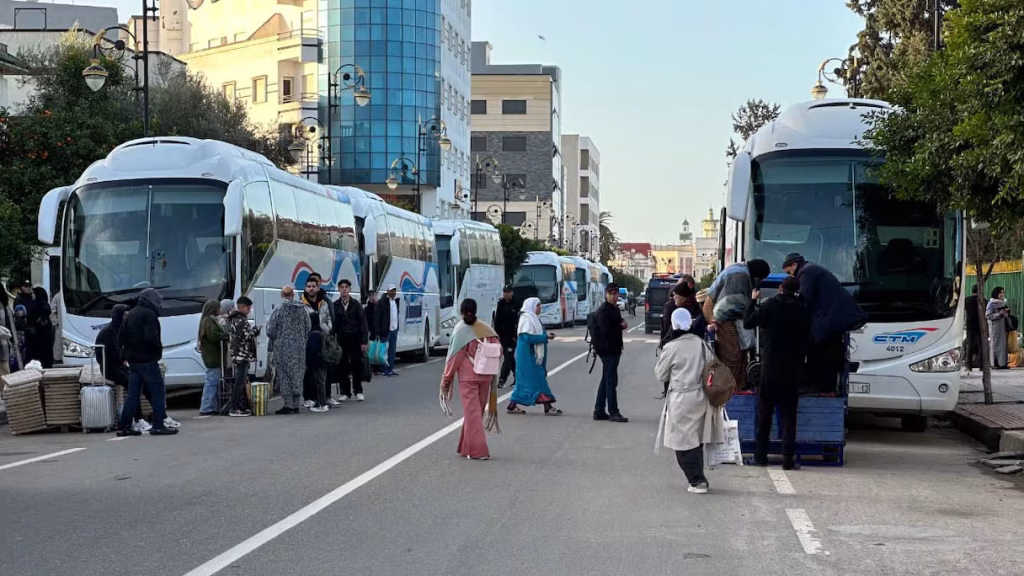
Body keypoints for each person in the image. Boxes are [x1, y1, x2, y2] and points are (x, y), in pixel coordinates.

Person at [654, 308, 725, 494]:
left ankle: (697, 480)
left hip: (681, 398)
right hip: (701, 397)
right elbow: (713, 368)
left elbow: (661, 374)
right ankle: (698, 477)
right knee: (696, 439)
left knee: (682, 442)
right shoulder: (701, 344)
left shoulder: (672, 347)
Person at [742, 276, 811, 470]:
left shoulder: (770, 305)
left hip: (770, 368)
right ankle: (788, 459)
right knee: (790, 416)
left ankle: (761, 456)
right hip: (793, 369)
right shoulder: (803, 310)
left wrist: (753, 299)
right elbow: (808, 338)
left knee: (765, 414)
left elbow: (748, 322)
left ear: (780, 288)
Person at [782, 253, 867, 393]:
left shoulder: (806, 273)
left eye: (790, 273)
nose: (791, 277)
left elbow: (805, 299)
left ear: (794, 265)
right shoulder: (811, 269)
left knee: (815, 347)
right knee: (826, 350)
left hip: (831, 317)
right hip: (834, 316)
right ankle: (826, 386)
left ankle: (815, 386)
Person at [440, 298, 501, 460]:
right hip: (486, 375)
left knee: (472, 413)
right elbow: (498, 351)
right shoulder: (487, 329)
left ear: (461, 312)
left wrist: (446, 380)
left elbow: (455, 358)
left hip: (468, 377)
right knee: (477, 412)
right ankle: (466, 446)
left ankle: (478, 450)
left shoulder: (461, 331)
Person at [702, 259, 771, 391]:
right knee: (732, 356)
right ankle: (731, 389)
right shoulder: (741, 277)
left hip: (723, 318)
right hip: (725, 321)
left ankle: (737, 386)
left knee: (739, 354)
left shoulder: (737, 268)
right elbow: (731, 303)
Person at [117, 288, 177, 436]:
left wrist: (126, 354)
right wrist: (158, 352)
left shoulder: (130, 314)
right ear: (151, 300)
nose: (160, 303)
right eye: (158, 300)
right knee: (157, 393)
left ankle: (124, 426)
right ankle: (158, 425)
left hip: (133, 361)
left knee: (133, 395)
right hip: (147, 359)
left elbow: (120, 338)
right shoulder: (149, 315)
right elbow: (152, 338)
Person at [96, 304, 153, 432]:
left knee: (143, 380)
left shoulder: (123, 330)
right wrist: (125, 357)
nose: (127, 317)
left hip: (122, 366)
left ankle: (159, 414)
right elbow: (111, 355)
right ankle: (137, 419)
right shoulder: (107, 333)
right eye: (125, 315)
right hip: (109, 368)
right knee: (132, 383)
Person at [507, 297, 560, 415]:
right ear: (531, 306)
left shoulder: (533, 318)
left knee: (527, 382)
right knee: (537, 379)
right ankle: (548, 406)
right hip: (527, 356)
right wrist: (545, 337)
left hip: (531, 355)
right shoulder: (526, 319)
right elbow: (528, 338)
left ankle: (512, 404)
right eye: (538, 305)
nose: (540, 308)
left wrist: (545, 336)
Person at [267, 285, 310, 414]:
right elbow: (308, 327)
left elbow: (270, 330)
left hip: (282, 348)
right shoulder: (303, 310)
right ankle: (296, 403)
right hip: (299, 348)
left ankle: (288, 404)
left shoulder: (278, 310)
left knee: (285, 376)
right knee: (297, 374)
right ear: (293, 295)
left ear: (282, 295)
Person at [593, 284, 628, 423]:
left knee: (606, 380)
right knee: (611, 380)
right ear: (606, 295)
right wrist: (621, 326)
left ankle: (599, 410)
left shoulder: (614, 309)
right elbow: (606, 331)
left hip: (613, 349)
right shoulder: (604, 311)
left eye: (615, 294)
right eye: (611, 294)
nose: (613, 296)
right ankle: (613, 411)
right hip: (607, 350)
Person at [334, 279, 369, 402]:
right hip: (341, 339)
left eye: (346, 287)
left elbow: (363, 324)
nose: (344, 289)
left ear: (349, 289)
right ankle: (345, 392)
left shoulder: (356, 305)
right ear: (339, 289)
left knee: (356, 365)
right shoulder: (335, 305)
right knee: (342, 366)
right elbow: (333, 324)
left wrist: (364, 342)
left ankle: (358, 391)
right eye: (342, 287)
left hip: (355, 338)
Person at [301, 275, 333, 405]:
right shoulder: (301, 305)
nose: (311, 289)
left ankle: (322, 398)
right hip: (307, 341)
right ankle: (309, 398)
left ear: (318, 288)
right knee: (308, 371)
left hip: (322, 340)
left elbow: (330, 320)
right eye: (309, 287)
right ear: (305, 288)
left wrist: (324, 328)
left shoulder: (324, 304)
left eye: (314, 286)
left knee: (322, 371)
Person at [226, 296, 260, 417]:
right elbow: (247, 337)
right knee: (240, 382)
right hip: (242, 354)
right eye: (248, 308)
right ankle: (235, 408)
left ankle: (239, 406)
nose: (249, 310)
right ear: (241, 307)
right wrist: (256, 330)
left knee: (240, 381)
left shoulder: (233, 320)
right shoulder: (241, 321)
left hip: (237, 354)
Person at [198, 299, 227, 416]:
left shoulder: (206, 320)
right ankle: (206, 407)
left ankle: (212, 406)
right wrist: (225, 335)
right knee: (211, 381)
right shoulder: (209, 321)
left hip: (211, 356)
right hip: (212, 356)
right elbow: (213, 336)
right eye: (219, 307)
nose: (220, 309)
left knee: (213, 381)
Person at [493, 286, 519, 388]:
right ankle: (518, 376)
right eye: (504, 292)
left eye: (508, 292)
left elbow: (518, 321)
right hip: (502, 337)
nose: (506, 294)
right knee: (510, 358)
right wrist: (496, 334)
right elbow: (497, 320)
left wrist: (515, 335)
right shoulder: (501, 304)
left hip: (512, 337)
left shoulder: (517, 304)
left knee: (508, 358)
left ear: (512, 293)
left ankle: (502, 379)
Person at [24, 286, 54, 369]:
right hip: (42, 338)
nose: (32, 295)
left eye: (33, 293)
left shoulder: (39, 305)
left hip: (37, 339)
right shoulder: (43, 305)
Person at [987, 287, 1011, 370]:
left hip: (1003, 327)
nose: (1002, 294)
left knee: (1003, 346)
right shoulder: (991, 303)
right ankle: (995, 363)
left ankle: (1003, 363)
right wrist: (999, 315)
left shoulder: (1003, 303)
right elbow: (988, 316)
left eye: (1003, 292)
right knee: (996, 345)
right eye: (1000, 292)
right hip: (995, 328)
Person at [0, 288, 21, 376]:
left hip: (3, 344)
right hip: (6, 343)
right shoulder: (6, 306)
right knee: (5, 373)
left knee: (4, 372)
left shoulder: (4, 307)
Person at [381, 284, 400, 376]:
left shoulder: (395, 302)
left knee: (392, 350)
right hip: (386, 329)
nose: (393, 293)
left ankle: (390, 368)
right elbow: (379, 317)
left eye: (394, 291)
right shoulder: (383, 302)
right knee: (384, 351)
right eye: (391, 291)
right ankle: (384, 368)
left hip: (394, 329)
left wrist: (397, 327)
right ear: (388, 292)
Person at [965, 285, 981, 373]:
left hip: (970, 325)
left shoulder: (967, 300)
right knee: (981, 346)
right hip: (980, 326)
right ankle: (982, 366)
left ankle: (968, 365)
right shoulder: (983, 300)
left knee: (969, 346)